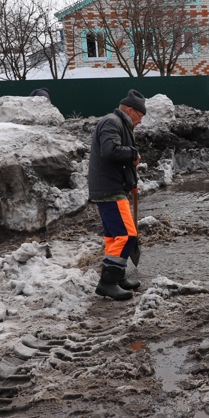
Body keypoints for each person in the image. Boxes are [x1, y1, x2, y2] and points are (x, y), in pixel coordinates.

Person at [87, 89, 147, 300]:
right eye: (140, 116)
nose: (140, 122)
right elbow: (110, 151)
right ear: (130, 110)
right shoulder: (112, 122)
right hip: (109, 190)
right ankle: (107, 282)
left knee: (114, 237)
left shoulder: (119, 123)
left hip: (113, 188)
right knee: (127, 235)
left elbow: (118, 161)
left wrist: (130, 183)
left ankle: (118, 276)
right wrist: (133, 154)